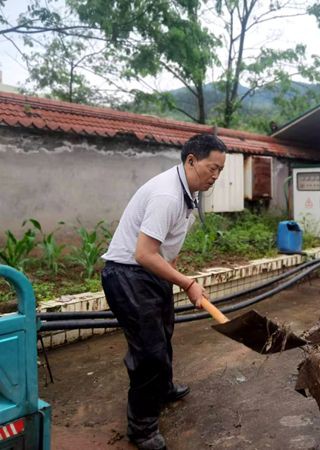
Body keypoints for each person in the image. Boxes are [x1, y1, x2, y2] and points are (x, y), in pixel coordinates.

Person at [101, 133, 227, 449]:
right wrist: (187, 282)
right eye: (212, 168)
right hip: (129, 275)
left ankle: (163, 388)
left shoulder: (186, 192)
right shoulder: (168, 195)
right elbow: (143, 253)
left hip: (150, 274)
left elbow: (165, 245)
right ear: (191, 160)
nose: (215, 176)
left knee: (163, 334)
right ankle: (142, 430)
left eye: (220, 171)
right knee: (149, 352)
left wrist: (176, 278)